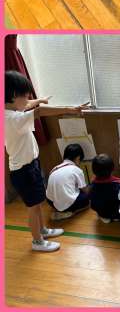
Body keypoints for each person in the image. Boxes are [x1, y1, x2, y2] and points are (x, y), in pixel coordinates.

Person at [5, 70, 87, 252]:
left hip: (29, 166)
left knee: (37, 204)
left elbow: (28, 105)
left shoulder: (10, 110)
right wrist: (70, 109)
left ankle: (42, 230)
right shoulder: (12, 119)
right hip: (23, 171)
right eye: (25, 95)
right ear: (13, 96)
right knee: (33, 208)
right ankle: (37, 241)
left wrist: (39, 99)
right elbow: (38, 112)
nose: (28, 99)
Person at [46, 144, 90, 220]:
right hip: (67, 204)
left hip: (50, 202)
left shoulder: (55, 168)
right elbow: (85, 190)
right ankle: (70, 213)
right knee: (88, 200)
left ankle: (60, 209)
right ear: (78, 158)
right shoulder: (76, 170)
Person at [89, 154, 120, 223]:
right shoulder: (118, 185)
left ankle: (104, 217)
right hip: (116, 211)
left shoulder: (92, 184)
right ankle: (115, 217)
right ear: (112, 169)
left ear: (93, 171)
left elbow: (91, 199)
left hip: (101, 211)